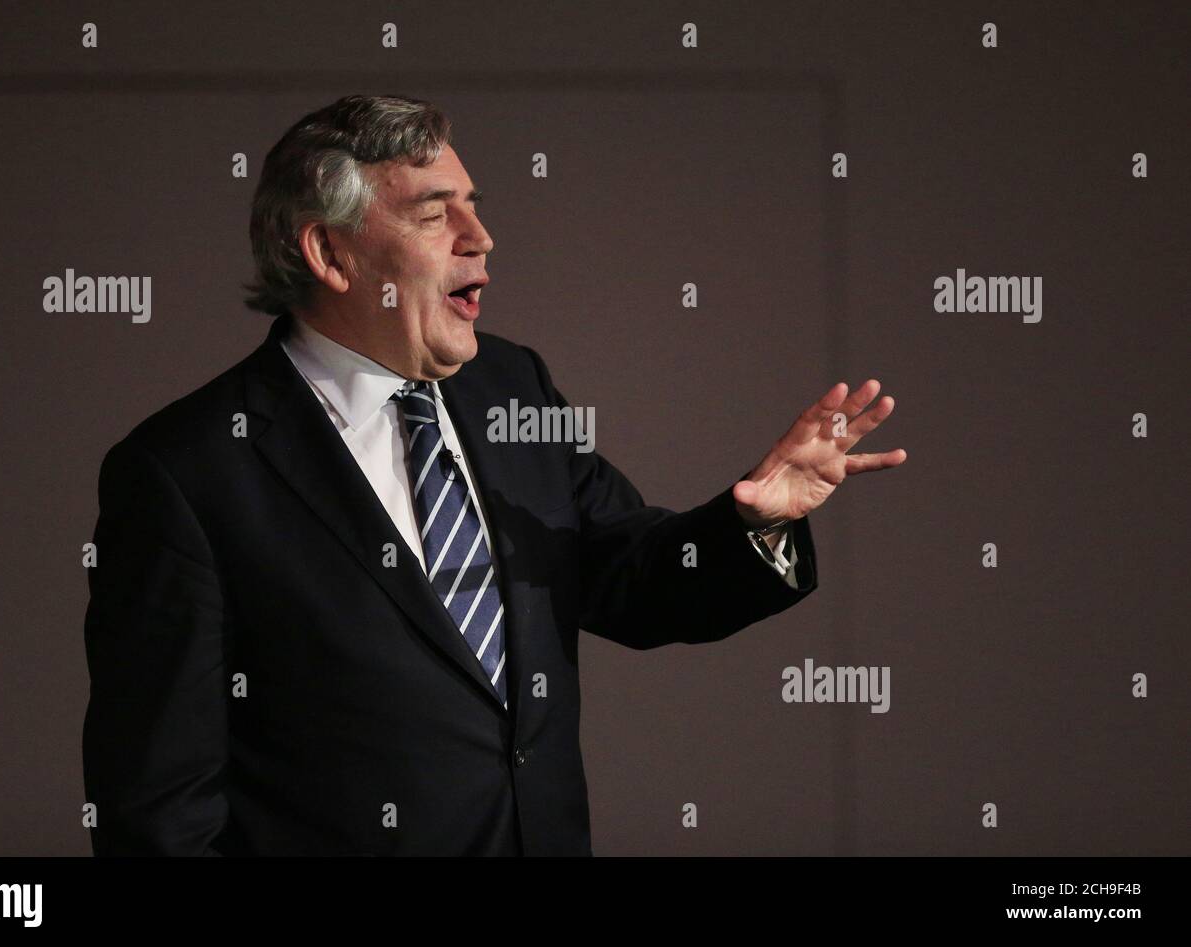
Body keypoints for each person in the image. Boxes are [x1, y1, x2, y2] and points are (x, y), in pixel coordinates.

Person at [81, 93, 906, 856]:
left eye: (475, 207)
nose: (480, 238)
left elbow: (630, 576)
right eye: (436, 214)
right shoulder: (186, 472)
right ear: (330, 252)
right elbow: (160, 810)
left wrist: (757, 521)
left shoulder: (513, 387)